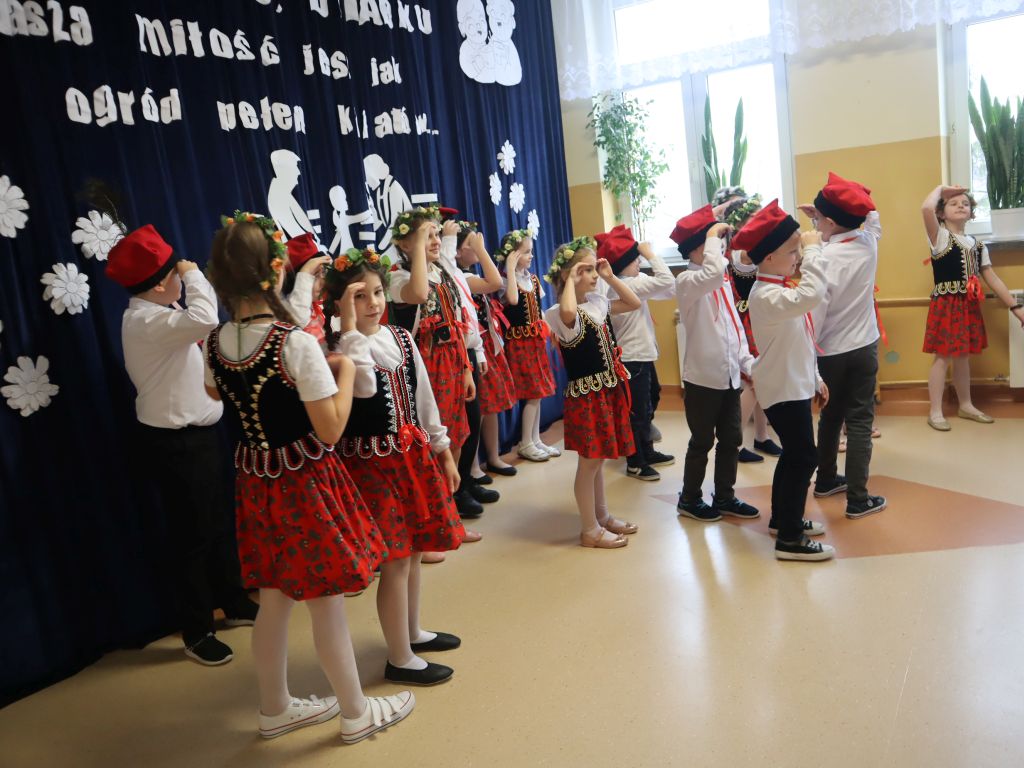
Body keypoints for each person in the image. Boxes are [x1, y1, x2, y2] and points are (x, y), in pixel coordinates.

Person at [203, 211, 414, 742]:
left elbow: (213, 392)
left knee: (274, 599)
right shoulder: (291, 342)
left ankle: (275, 707)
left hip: (256, 481)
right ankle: (356, 712)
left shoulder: (214, 341)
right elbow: (331, 428)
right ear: (276, 271)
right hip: (304, 482)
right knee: (325, 601)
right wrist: (343, 369)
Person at [105, 223, 258, 667]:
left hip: (202, 435)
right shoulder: (146, 320)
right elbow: (206, 318)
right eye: (176, 272)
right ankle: (196, 630)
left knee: (218, 524)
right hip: (177, 443)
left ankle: (233, 599)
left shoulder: (162, 309)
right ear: (159, 284)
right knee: (192, 538)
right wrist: (194, 275)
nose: (183, 274)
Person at [322, 246, 466, 687]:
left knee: (415, 550)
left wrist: (442, 450)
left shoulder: (400, 337)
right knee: (397, 559)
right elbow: (364, 386)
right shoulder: (339, 349)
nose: (373, 303)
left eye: (377, 293)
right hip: (372, 467)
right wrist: (350, 330)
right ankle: (399, 657)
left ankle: (412, 632)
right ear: (339, 304)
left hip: (410, 459)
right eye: (359, 296)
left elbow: (424, 397)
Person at [734, 200, 835, 562]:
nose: (798, 257)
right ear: (769, 257)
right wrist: (816, 250)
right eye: (793, 252)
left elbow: (801, 340)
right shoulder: (766, 295)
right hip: (782, 390)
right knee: (804, 456)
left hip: (792, 384)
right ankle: (790, 539)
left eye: (799, 251)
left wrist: (815, 377)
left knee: (794, 455)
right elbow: (811, 295)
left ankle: (783, 520)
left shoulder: (779, 289)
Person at [543, 237, 642, 549]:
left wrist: (610, 277)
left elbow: (634, 303)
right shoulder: (558, 312)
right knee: (589, 463)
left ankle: (602, 516)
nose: (593, 275)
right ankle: (589, 529)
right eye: (586, 270)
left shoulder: (598, 304)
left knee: (598, 461)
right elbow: (569, 311)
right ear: (568, 275)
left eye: (593, 268)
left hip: (607, 392)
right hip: (587, 397)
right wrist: (570, 279)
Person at [801, 171, 887, 519]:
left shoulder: (822, 258)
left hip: (829, 352)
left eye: (819, 219)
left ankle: (825, 480)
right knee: (860, 420)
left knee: (831, 415)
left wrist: (810, 358)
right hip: (863, 347)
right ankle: (858, 497)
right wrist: (827, 214)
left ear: (831, 223)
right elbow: (872, 217)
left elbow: (816, 314)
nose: (815, 224)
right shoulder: (868, 243)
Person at [670, 206, 759, 523]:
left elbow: (735, 327)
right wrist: (711, 234)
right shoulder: (688, 281)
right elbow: (709, 273)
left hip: (729, 375)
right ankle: (689, 498)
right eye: (713, 243)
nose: (721, 249)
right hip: (703, 379)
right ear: (697, 249)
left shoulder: (719, 280)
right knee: (702, 442)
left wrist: (747, 362)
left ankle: (724, 496)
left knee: (731, 439)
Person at [387, 208, 476, 507]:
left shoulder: (442, 272)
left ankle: (452, 503)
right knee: (434, 437)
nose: (436, 240)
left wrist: (466, 368)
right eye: (427, 236)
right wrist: (419, 254)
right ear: (404, 244)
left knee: (456, 434)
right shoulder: (398, 277)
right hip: (426, 364)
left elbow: (457, 322)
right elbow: (420, 294)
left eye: (437, 234)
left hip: (452, 361)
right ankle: (438, 508)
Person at [920, 185, 1024, 429]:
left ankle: (965, 405)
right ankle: (935, 411)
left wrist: (1015, 307)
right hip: (946, 305)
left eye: (965, 203)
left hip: (968, 305)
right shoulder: (939, 237)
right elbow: (925, 208)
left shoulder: (978, 245)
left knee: (962, 357)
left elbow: (992, 278)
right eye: (953, 203)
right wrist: (941, 190)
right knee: (943, 357)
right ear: (941, 213)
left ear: (972, 213)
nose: (960, 206)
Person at [593, 225, 675, 481]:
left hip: (641, 355)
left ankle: (646, 450)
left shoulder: (630, 283)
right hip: (632, 357)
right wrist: (650, 254)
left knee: (649, 400)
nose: (640, 262)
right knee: (637, 410)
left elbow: (669, 289)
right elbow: (668, 281)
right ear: (623, 264)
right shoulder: (629, 284)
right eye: (635, 259)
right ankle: (635, 461)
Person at [713, 189, 781, 463]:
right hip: (746, 322)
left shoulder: (748, 247)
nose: (758, 220)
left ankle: (762, 436)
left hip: (757, 318)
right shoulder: (742, 251)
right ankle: (736, 442)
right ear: (740, 222)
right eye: (753, 216)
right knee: (754, 381)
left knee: (761, 379)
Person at [455, 222, 519, 478]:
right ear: (457, 252)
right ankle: (473, 465)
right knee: (479, 407)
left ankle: (493, 457)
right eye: (471, 245)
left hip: (487, 345)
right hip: (476, 344)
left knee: (491, 405)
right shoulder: (463, 277)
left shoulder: (469, 274)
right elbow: (495, 283)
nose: (478, 248)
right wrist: (482, 250)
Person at [497, 229, 558, 461]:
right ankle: (525, 442)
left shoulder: (532, 279)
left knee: (538, 393)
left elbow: (538, 310)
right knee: (532, 393)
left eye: (531, 251)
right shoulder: (505, 281)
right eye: (526, 252)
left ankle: (535, 439)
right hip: (519, 344)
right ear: (512, 255)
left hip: (535, 342)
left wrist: (550, 329)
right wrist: (510, 269)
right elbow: (513, 299)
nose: (531, 256)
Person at [282, 232, 331, 348]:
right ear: (298, 283)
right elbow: (298, 321)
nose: (323, 281)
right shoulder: (289, 309)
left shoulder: (319, 308)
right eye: (314, 275)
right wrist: (306, 271)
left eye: (323, 272)